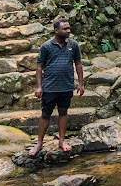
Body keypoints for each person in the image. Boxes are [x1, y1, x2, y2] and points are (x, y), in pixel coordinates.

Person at [30, 18, 86, 156]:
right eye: (65, 29)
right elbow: (39, 67)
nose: (68, 31)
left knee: (63, 113)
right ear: (56, 31)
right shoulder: (46, 46)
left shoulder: (73, 45)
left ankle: (61, 141)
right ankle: (39, 143)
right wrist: (39, 86)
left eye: (68, 28)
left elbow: (78, 64)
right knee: (45, 114)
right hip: (50, 87)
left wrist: (80, 83)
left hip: (66, 86)